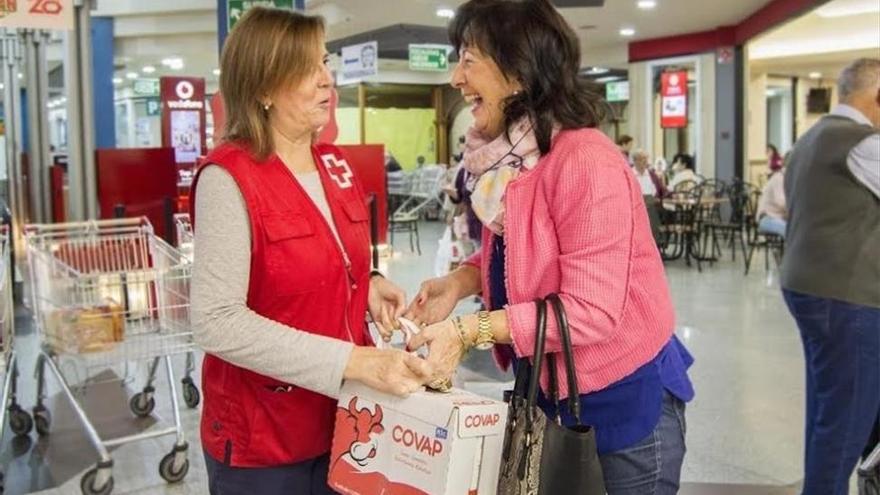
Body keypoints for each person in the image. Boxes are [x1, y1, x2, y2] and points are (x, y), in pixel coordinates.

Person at [401, 1, 694, 493]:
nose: (456, 77)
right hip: (548, 392)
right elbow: (520, 254)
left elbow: (591, 311)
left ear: (518, 70)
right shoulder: (514, 159)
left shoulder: (584, 160)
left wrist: (469, 331)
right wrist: (459, 281)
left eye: (469, 59)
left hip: (621, 401)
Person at [189, 8, 433, 493]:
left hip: (347, 419)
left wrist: (369, 284)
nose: (327, 79)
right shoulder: (228, 178)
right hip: (266, 440)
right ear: (262, 87)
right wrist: (354, 362)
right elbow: (216, 320)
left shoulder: (333, 163)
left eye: (325, 62)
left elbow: (330, 255)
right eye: (308, 69)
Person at [780, 57, 880, 495]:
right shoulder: (864, 143)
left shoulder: (810, 138)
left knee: (828, 408)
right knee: (845, 421)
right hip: (848, 294)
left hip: (807, 286)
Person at [755, 163, 787, 238]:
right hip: (766, 219)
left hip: (777, 218)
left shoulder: (785, 178)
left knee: (798, 229)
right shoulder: (779, 178)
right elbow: (781, 202)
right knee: (789, 230)